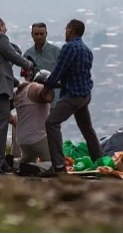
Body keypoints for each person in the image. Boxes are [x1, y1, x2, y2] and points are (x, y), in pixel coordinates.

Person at [40, 19, 102, 173]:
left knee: (52, 123)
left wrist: (46, 87)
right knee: (87, 129)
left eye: (66, 29)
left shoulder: (69, 48)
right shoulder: (86, 50)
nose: (65, 32)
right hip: (84, 95)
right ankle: (99, 162)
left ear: (72, 30)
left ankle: (59, 166)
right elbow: (77, 74)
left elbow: (59, 70)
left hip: (73, 96)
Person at [0, 16, 34, 174]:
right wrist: (29, 64)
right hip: (0, 89)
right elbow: (14, 56)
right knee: (0, 126)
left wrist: (17, 84)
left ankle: (2, 161)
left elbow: (0, 68)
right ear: (1, 25)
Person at [11, 70, 54, 163]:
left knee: (27, 160)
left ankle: (15, 164)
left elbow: (3, 108)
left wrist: (12, 119)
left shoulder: (18, 91)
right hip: (39, 138)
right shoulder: (37, 87)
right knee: (56, 163)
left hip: (22, 140)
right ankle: (38, 168)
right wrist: (51, 85)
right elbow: (49, 98)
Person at [22, 22, 60, 106]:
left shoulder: (56, 52)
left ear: (46, 34)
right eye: (36, 34)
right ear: (32, 35)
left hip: (53, 98)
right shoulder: (28, 54)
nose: (39, 36)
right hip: (35, 99)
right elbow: (26, 76)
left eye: (41, 34)